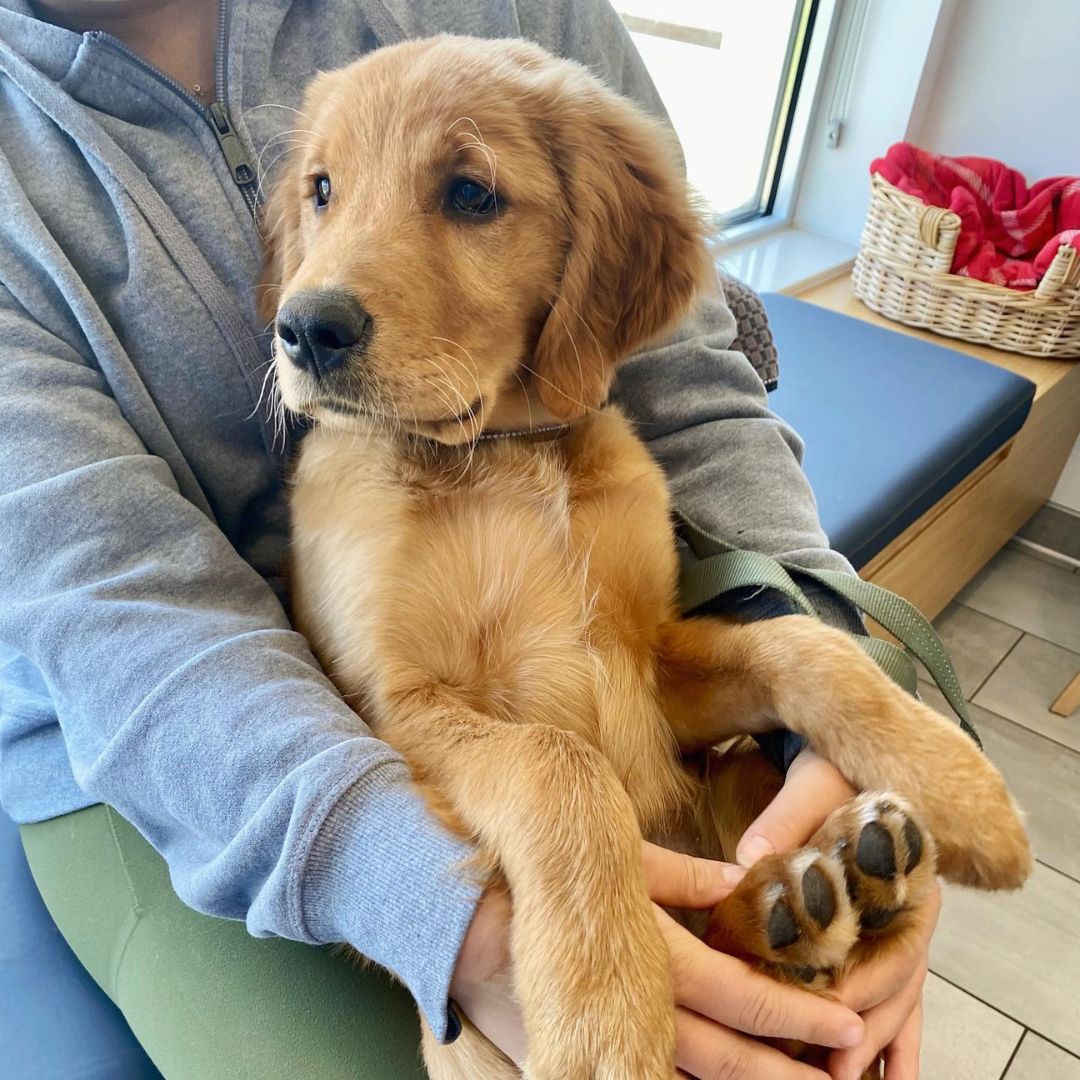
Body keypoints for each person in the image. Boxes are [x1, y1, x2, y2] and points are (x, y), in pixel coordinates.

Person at [0, 1, 936, 1077]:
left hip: (559, 635)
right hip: (152, 734)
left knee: (825, 1026)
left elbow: (684, 382)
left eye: (470, 195)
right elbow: (122, 615)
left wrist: (834, 703)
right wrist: (467, 926)